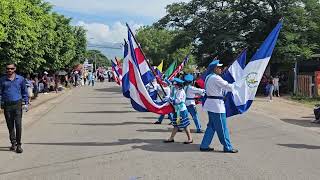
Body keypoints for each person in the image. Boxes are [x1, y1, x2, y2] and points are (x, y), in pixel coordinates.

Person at [200, 60, 238, 153]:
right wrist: (239, 83)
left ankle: (204, 145)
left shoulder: (209, 77)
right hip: (216, 106)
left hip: (211, 104)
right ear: (214, 69)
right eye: (219, 67)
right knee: (222, 127)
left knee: (211, 126)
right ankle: (227, 147)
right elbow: (228, 87)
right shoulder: (216, 78)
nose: (221, 69)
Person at [0, 63, 28, 153]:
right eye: (8, 68)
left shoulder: (20, 79)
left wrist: (26, 103)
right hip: (7, 105)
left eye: (11, 68)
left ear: (15, 69)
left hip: (17, 104)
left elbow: (24, 91)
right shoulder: (2, 80)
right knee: (10, 125)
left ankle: (19, 145)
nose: (9, 70)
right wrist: (1, 102)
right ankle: (13, 143)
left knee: (18, 125)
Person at [164, 78, 193, 144]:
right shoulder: (178, 90)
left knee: (184, 125)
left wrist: (170, 99)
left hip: (181, 110)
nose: (175, 85)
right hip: (178, 110)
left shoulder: (180, 91)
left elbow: (178, 101)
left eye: (176, 84)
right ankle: (171, 138)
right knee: (176, 125)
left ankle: (190, 139)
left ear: (179, 85)